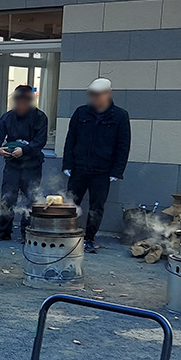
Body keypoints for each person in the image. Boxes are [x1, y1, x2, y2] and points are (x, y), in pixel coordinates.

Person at [62, 77, 131, 253]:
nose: (94, 98)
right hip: (79, 168)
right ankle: (66, 236)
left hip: (103, 171)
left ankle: (89, 239)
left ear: (108, 94)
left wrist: (117, 171)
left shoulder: (120, 116)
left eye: (98, 95)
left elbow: (123, 146)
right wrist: (67, 164)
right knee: (71, 203)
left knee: (96, 207)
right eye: (92, 95)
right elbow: (71, 139)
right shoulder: (81, 113)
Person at [0, 85, 48, 241]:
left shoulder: (40, 117)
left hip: (32, 165)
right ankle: (3, 231)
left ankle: (27, 232)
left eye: (24, 101)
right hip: (12, 165)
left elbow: (40, 141)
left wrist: (25, 150)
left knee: (31, 199)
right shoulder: (8, 117)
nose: (20, 105)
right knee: (7, 198)